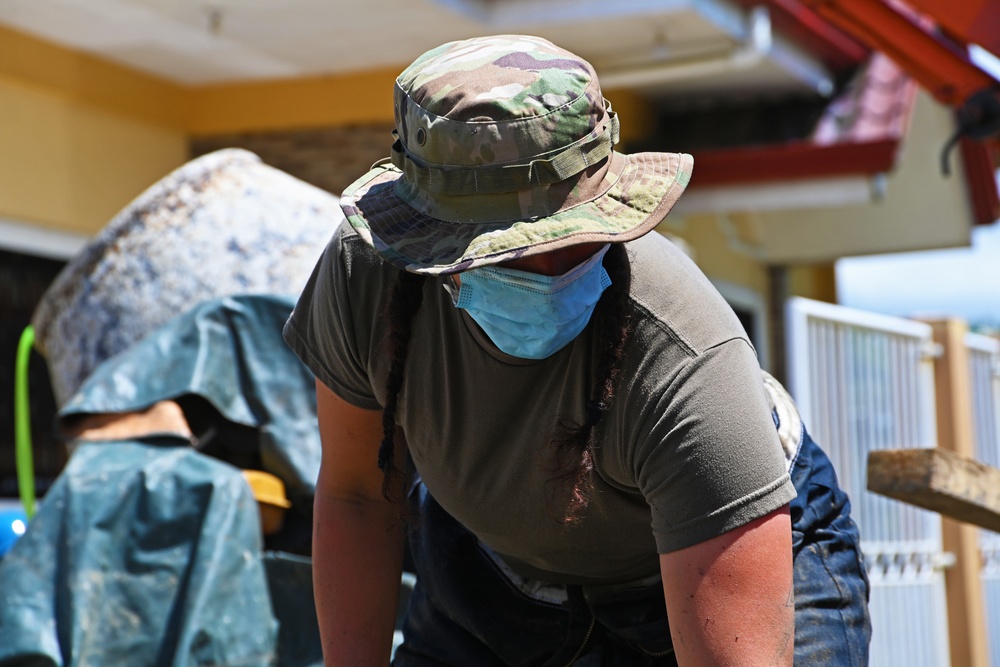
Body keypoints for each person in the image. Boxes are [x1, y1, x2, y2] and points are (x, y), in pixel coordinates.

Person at [283, 34, 871, 666]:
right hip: (497, 572)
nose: (546, 270)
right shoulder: (367, 277)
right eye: (503, 248)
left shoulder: (684, 358)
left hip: (715, 560)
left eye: (570, 233)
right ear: (430, 241)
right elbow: (358, 494)